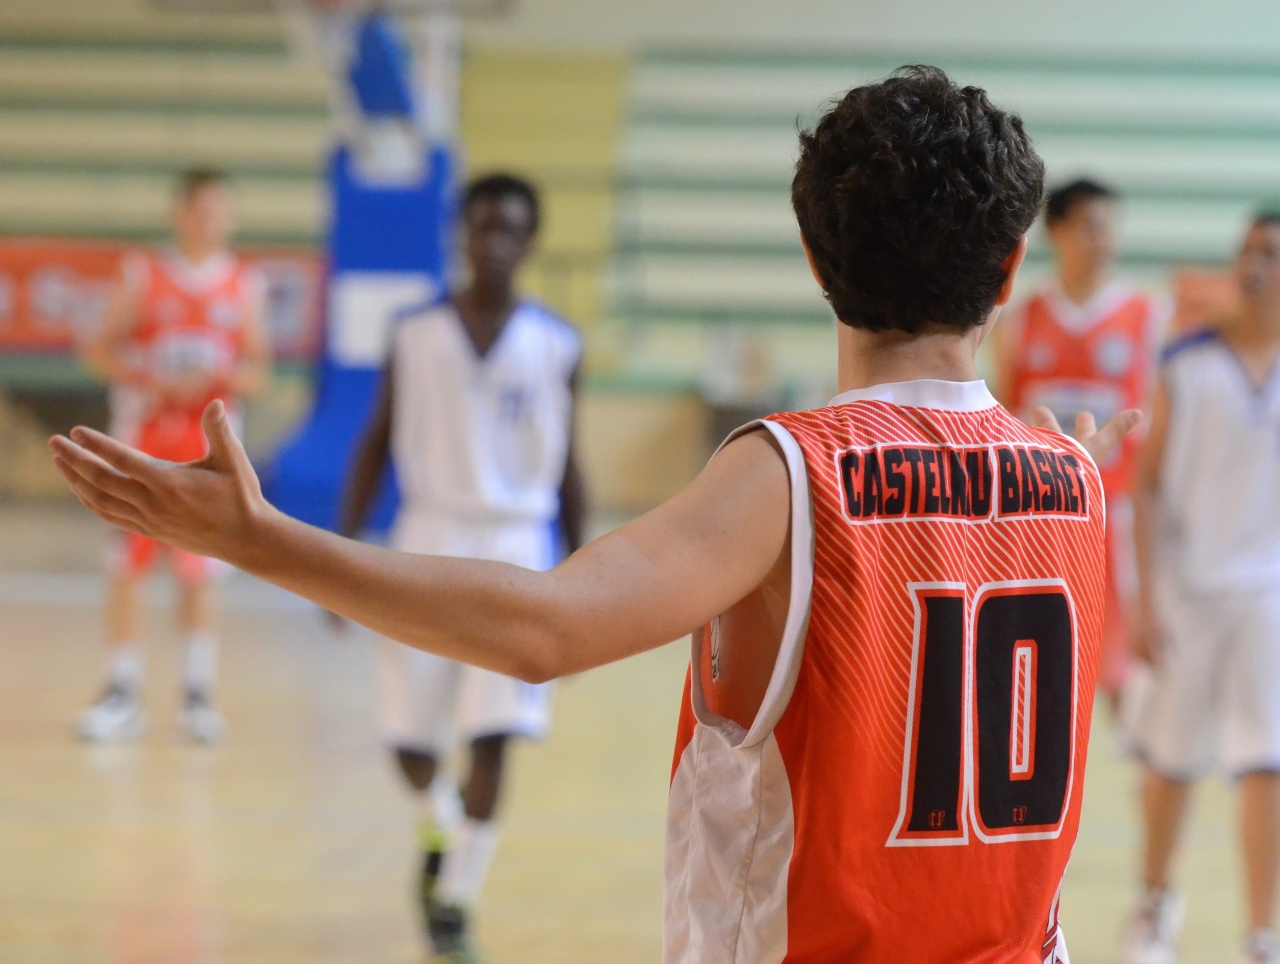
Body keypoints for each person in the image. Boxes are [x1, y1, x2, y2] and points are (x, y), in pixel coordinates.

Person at [51, 67, 1139, 960]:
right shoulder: (1075, 481)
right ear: (1011, 269)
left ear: (814, 259)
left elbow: (545, 628)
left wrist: (260, 540)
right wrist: (1057, 467)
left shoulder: (788, 476)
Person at [335, 173, 586, 961]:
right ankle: (441, 827)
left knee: (494, 734)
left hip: (518, 545)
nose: (495, 242)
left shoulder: (558, 344)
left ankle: (455, 902)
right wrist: (343, 553)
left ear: (530, 241)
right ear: (462, 233)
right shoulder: (414, 332)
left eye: (510, 229)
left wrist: (583, 577)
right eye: (483, 226)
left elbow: (571, 466)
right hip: (426, 538)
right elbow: (374, 443)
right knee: (408, 742)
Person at [1123, 213, 1280, 964]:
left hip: (1269, 595)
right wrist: (1146, 599)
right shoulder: (1185, 360)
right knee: (1172, 761)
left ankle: (1260, 935)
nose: (1253, 266)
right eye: (1246, 252)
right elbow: (1146, 486)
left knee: (1266, 763)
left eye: (1270, 254)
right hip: (1187, 589)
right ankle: (1155, 905)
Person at [77, 168, 271, 743]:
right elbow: (98, 349)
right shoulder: (143, 273)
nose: (208, 221)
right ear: (180, 213)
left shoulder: (244, 283)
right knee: (127, 564)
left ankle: (196, 694)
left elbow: (260, 372)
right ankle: (122, 690)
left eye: (218, 211)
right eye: (199, 210)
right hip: (142, 443)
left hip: (207, 450)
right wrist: (149, 377)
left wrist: (216, 377)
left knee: (200, 569)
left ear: (229, 218)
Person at [998, 179, 1168, 707]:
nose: (1104, 241)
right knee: (1040, 668)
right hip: (1040, 518)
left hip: (1116, 518)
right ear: (1056, 231)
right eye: (1091, 227)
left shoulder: (1148, 315)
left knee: (1126, 676)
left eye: (1110, 228)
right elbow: (1004, 413)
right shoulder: (1019, 317)